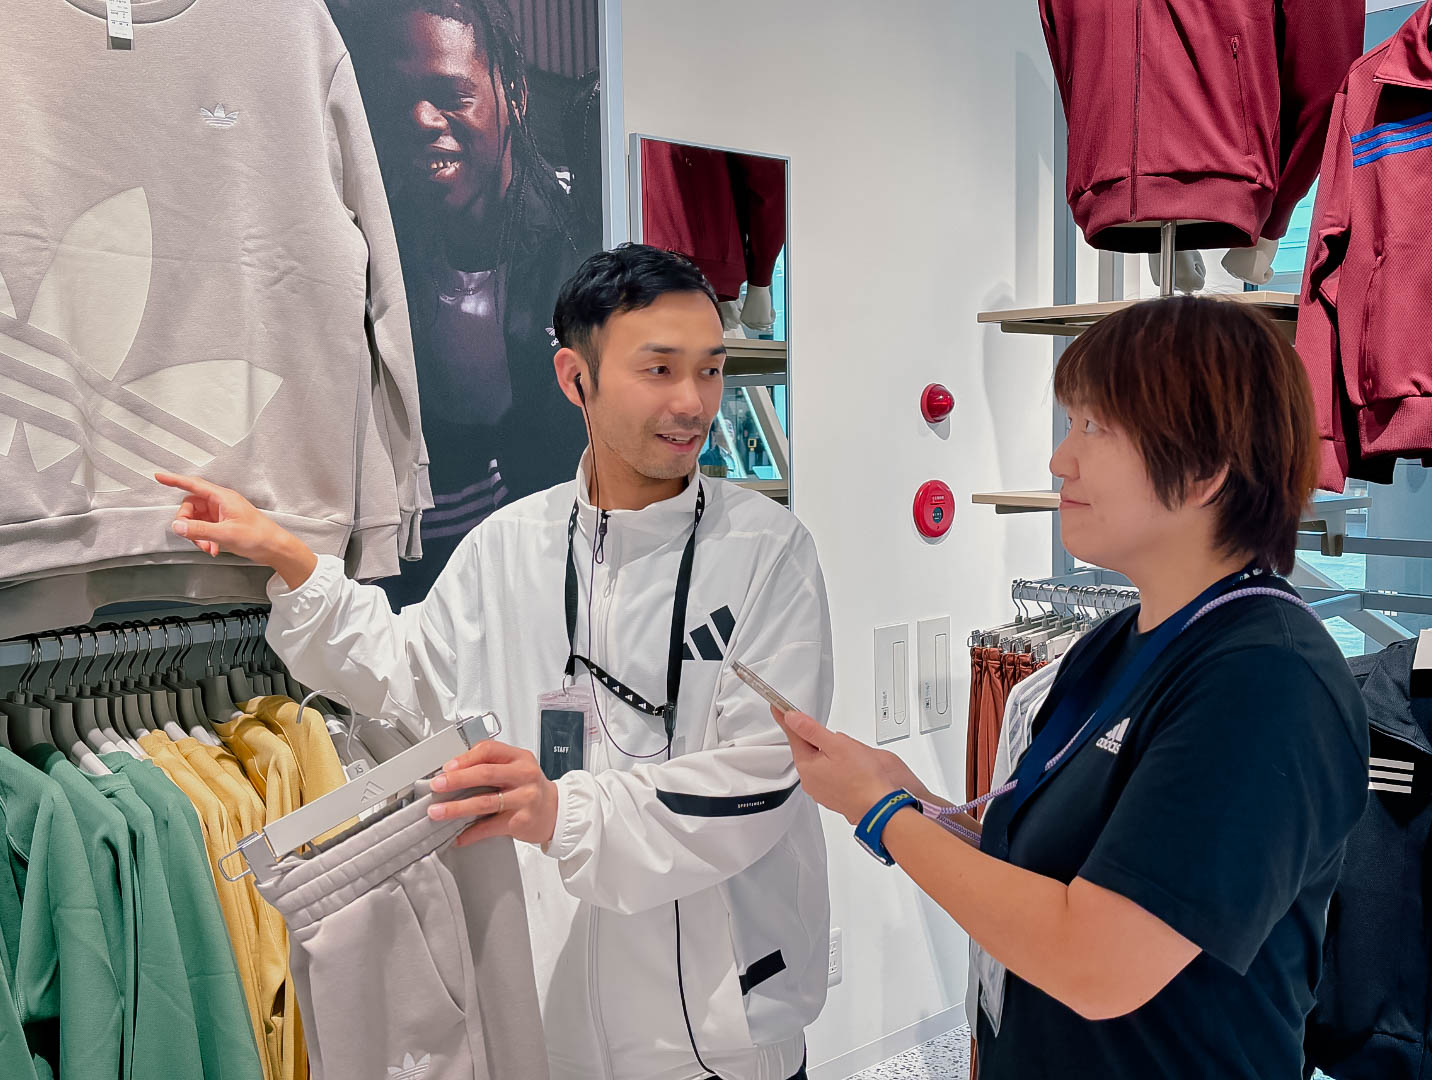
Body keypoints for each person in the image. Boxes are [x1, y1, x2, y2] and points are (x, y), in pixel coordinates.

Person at [157, 244, 833, 1080]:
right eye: (658, 370)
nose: (692, 402)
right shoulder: (506, 547)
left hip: (726, 1029)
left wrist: (564, 813)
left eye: (710, 370)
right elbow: (408, 671)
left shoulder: (770, 553)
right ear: (573, 378)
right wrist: (292, 562)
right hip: (552, 1019)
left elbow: (763, 777)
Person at [772, 297, 1369, 1079]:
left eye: (1096, 428)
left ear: (1206, 471)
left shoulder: (1267, 681)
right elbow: (1041, 881)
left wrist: (881, 815)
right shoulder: (1111, 648)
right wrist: (907, 797)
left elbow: (1096, 959)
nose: (1061, 460)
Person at [334, 0, 593, 607]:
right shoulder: (369, 241)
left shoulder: (576, 249)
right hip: (413, 581)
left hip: (546, 576)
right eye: (399, 98)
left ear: (516, 96)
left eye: (453, 93)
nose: (422, 118)